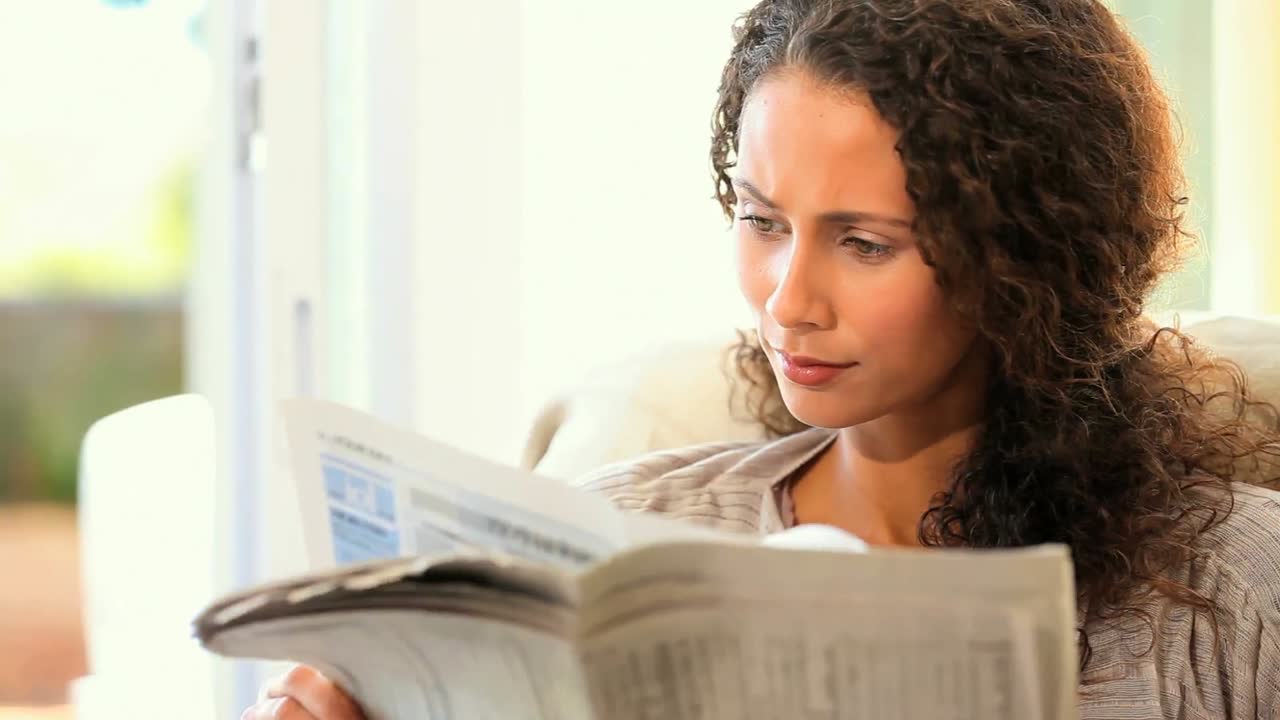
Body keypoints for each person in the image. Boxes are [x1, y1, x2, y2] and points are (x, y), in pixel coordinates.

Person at [241, 0, 1280, 717]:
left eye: (864, 243)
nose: (787, 302)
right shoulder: (611, 542)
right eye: (761, 220)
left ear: (1026, 256)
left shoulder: (1232, 592)